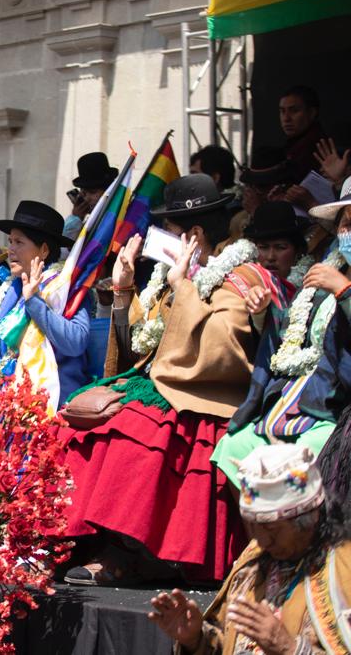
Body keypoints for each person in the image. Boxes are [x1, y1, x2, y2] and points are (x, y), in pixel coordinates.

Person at [59, 174, 288, 585]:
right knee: (72, 423)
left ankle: (128, 551)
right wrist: (124, 291)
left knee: (132, 428)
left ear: (194, 235)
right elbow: (141, 349)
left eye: (171, 230)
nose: (162, 238)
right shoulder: (178, 274)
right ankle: (68, 543)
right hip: (165, 385)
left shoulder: (243, 275)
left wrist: (182, 287)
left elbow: (219, 351)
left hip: (209, 395)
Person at [149, 444, 351, 654]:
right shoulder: (254, 559)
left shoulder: (344, 569)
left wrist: (290, 649)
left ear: (310, 519)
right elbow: (226, 643)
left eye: (271, 529)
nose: (262, 540)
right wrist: (196, 640)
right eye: (253, 527)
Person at [213, 189, 351, 489]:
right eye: (346, 224)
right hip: (298, 393)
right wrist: (264, 311)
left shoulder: (334, 278)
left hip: (337, 403)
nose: (349, 233)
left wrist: (344, 292)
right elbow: (291, 331)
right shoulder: (329, 268)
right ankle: (260, 522)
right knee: (233, 448)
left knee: (305, 456)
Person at [0, 200, 89, 424]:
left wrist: (34, 301)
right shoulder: (11, 286)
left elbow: (75, 342)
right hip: (1, 392)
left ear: (44, 250)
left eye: (19, 242)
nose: (11, 250)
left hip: (45, 399)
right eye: (10, 242)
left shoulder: (64, 289)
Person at [242, 86, 325, 214]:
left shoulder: (319, 149)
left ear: (311, 113)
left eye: (294, 111)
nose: (286, 118)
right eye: (282, 111)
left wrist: (258, 212)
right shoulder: (292, 147)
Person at [243, 201, 311, 286]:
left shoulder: (313, 286)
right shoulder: (241, 287)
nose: (270, 257)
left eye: (280, 247)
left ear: (298, 251)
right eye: (263, 247)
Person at [64, 152, 118, 241]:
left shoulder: (119, 217)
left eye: (92, 192)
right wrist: (76, 218)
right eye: (84, 193)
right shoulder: (87, 223)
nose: (87, 199)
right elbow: (65, 245)